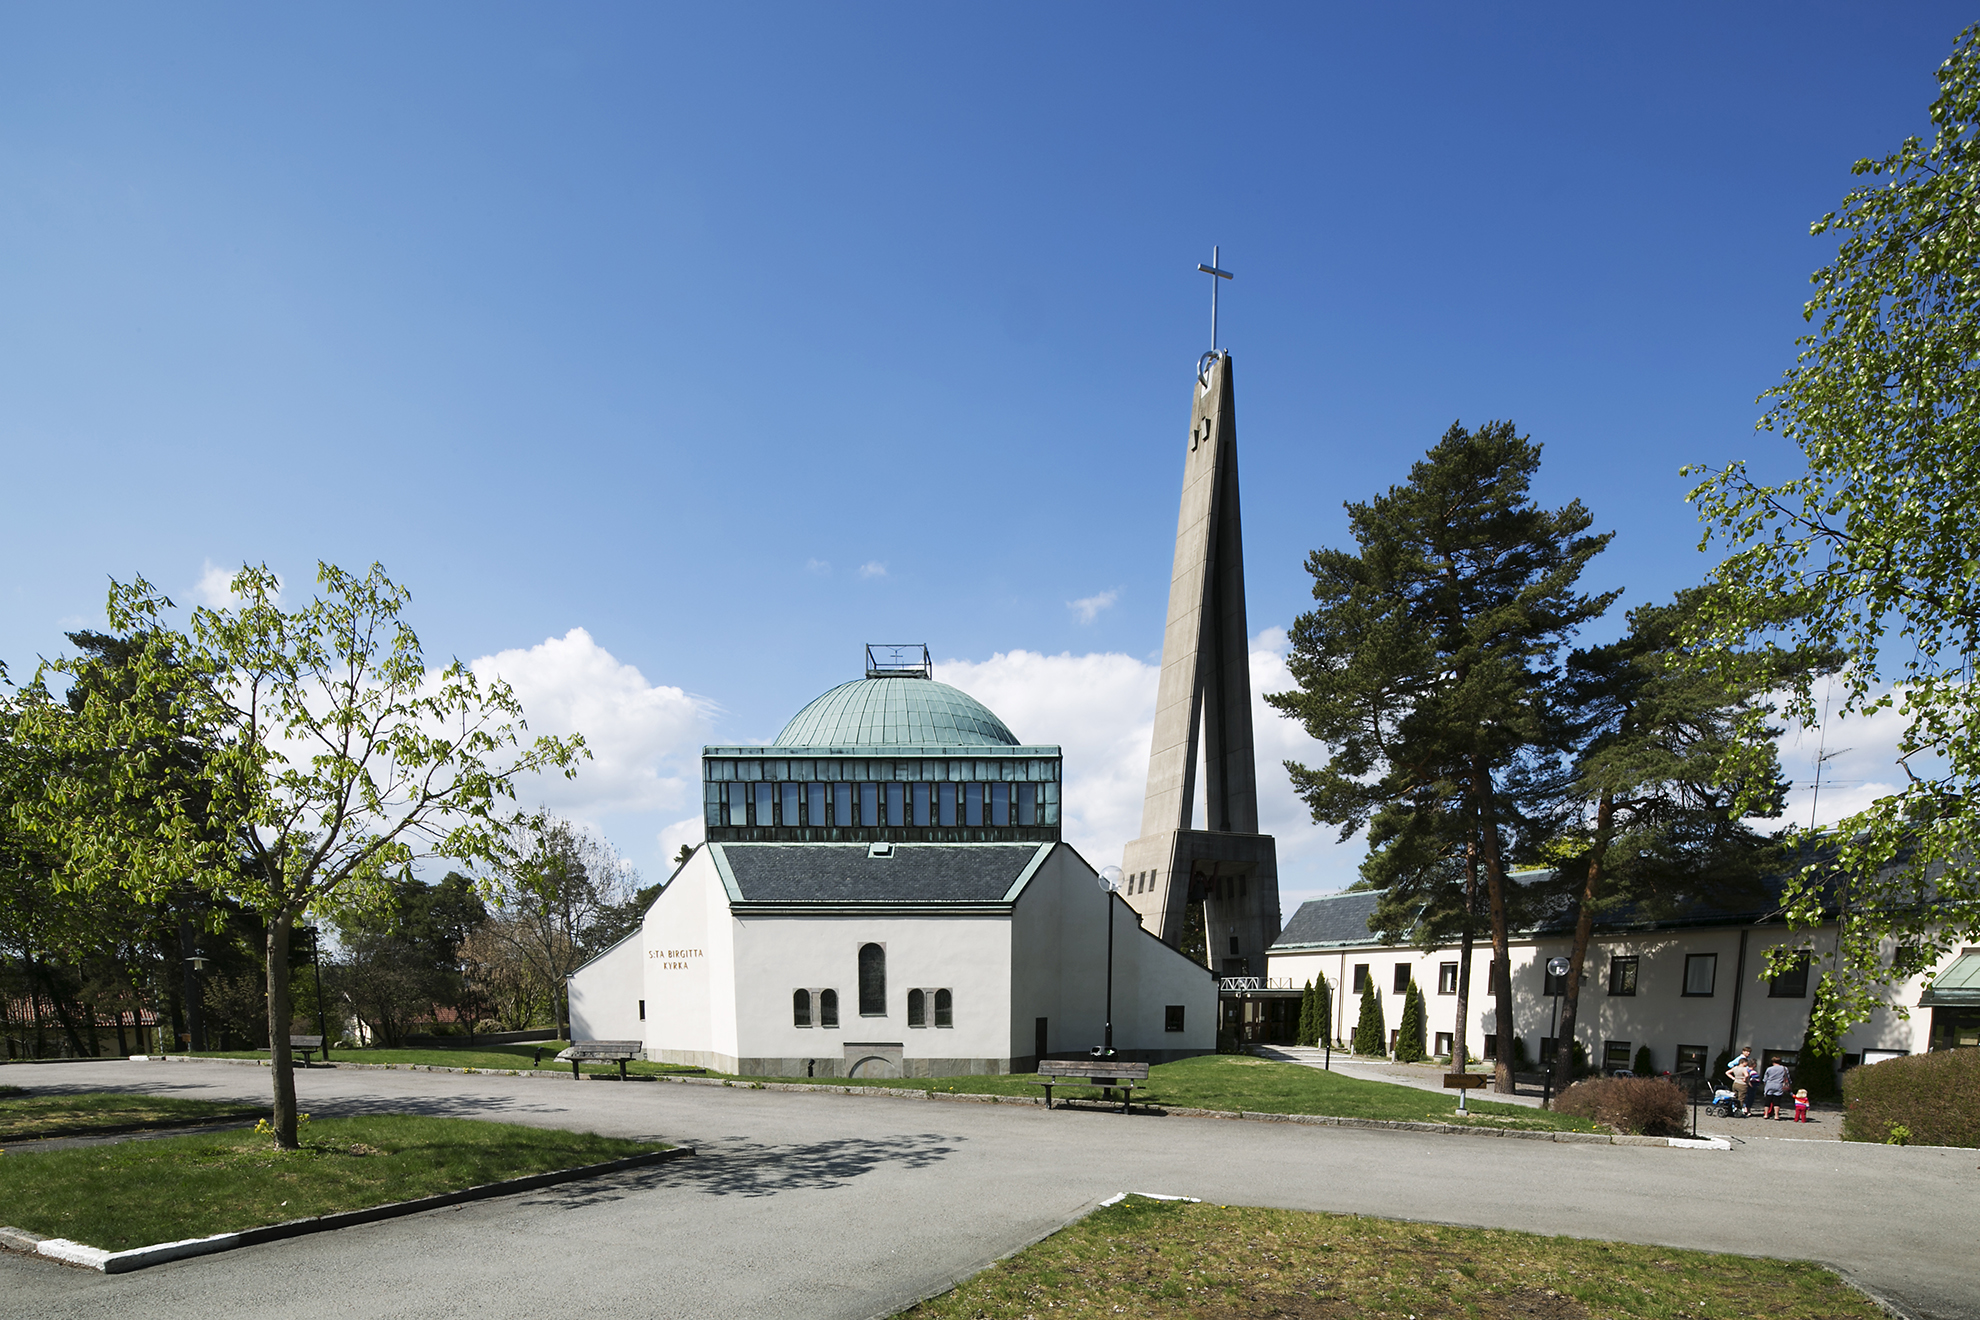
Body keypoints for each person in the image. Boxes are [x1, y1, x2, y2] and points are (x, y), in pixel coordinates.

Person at [1726, 1048, 1755, 1116]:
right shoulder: (1740, 1059)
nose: (1748, 1053)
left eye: (1749, 1052)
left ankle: (1737, 1109)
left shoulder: (1748, 1059)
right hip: (1741, 1082)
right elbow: (1730, 1064)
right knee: (1741, 1097)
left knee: (1737, 1096)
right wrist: (1737, 1069)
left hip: (1737, 1081)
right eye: (1747, 1051)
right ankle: (1739, 1110)